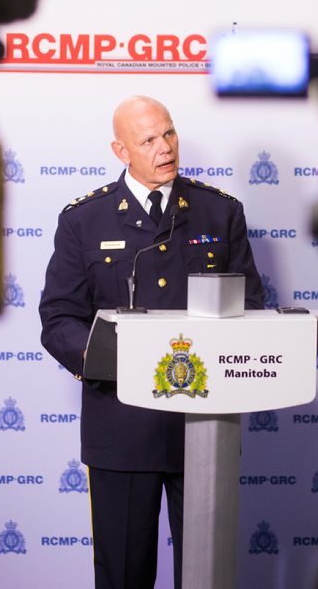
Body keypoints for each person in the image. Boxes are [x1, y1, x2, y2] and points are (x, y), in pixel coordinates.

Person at [39, 95, 264, 589]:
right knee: (123, 575)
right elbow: (58, 319)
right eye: (148, 140)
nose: (164, 148)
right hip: (122, 427)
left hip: (205, 428)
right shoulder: (84, 220)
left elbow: (251, 304)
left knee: (208, 577)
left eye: (169, 133)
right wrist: (116, 361)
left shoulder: (219, 212)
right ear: (121, 150)